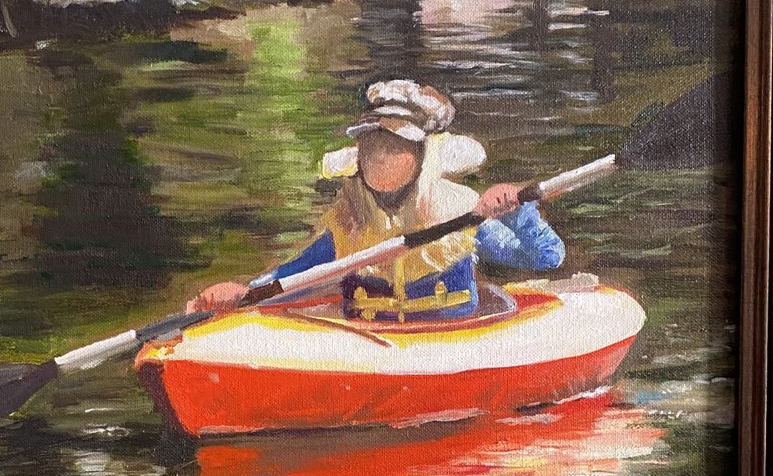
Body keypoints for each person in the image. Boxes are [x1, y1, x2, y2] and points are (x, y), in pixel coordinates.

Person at [188, 79, 565, 322]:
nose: (379, 155)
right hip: (370, 344)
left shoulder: (460, 212)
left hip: (448, 342)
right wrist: (246, 293)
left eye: (394, 145)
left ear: (422, 156)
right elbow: (298, 276)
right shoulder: (349, 220)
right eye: (371, 144)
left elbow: (546, 258)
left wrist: (517, 213)